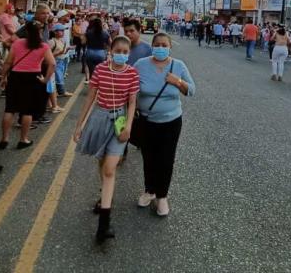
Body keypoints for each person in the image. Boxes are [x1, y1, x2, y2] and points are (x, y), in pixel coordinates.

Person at [73, 36, 139, 243]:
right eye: (118, 50)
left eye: (125, 52)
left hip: (119, 120)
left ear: (128, 53)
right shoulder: (101, 69)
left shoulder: (132, 73)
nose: (122, 54)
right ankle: (104, 197)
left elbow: (132, 103)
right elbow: (90, 97)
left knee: (110, 168)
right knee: (101, 162)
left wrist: (128, 126)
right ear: (110, 50)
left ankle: (103, 225)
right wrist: (79, 125)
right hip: (100, 118)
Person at [134, 33, 195, 217]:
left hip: (171, 121)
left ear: (170, 47)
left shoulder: (178, 65)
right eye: (157, 44)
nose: (160, 48)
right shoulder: (141, 65)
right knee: (149, 157)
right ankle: (150, 190)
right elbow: (130, 88)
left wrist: (177, 81)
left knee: (166, 159)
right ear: (152, 46)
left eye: (164, 45)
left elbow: (191, 90)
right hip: (146, 121)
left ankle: (162, 196)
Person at [0, 21, 55, 150]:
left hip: (15, 76)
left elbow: (8, 62)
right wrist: (45, 79)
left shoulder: (17, 43)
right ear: (39, 32)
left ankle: (4, 139)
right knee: (27, 111)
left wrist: (3, 77)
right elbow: (52, 64)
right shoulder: (43, 46)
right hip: (33, 77)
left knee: (10, 108)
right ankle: (23, 139)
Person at [50, 24, 72, 99]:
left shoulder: (60, 40)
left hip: (61, 61)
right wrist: (60, 52)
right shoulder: (52, 41)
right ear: (55, 32)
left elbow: (63, 52)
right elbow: (48, 55)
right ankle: (61, 92)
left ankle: (59, 91)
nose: (63, 32)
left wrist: (67, 49)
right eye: (61, 31)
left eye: (63, 31)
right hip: (56, 62)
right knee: (58, 77)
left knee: (60, 77)